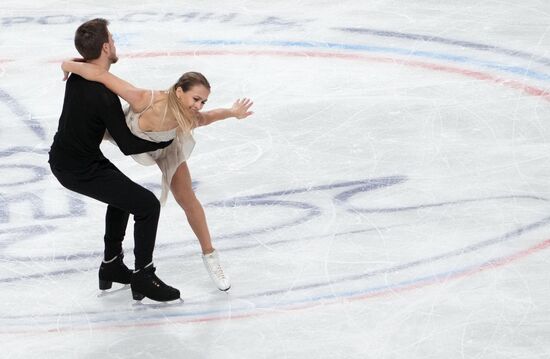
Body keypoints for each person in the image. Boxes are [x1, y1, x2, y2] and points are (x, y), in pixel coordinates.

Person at [61, 58, 254, 292]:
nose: (199, 105)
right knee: (91, 132)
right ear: (178, 91)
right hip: (127, 133)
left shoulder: (189, 117)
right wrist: (67, 65)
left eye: (203, 101)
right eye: (196, 99)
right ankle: (114, 265)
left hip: (167, 149)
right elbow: (101, 75)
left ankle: (211, 257)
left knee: (188, 200)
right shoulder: (145, 99)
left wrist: (233, 112)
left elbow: (208, 117)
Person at [49, 18, 181, 302]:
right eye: (113, 39)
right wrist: (168, 138)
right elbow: (127, 144)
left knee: (123, 197)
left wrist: (67, 63)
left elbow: (73, 63)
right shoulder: (102, 94)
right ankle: (144, 274)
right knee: (147, 205)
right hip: (78, 168)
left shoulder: (78, 74)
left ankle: (111, 265)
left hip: (70, 159)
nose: (115, 44)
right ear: (106, 47)